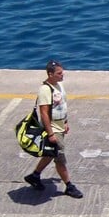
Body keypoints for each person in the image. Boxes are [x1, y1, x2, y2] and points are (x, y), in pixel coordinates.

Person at [24, 60, 83, 198]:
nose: (62, 75)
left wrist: (66, 121)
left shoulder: (59, 85)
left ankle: (35, 176)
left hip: (60, 125)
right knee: (60, 158)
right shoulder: (45, 89)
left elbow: (62, 105)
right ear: (50, 74)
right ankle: (69, 186)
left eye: (62, 72)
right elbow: (44, 112)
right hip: (53, 128)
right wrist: (51, 133)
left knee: (50, 153)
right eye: (59, 73)